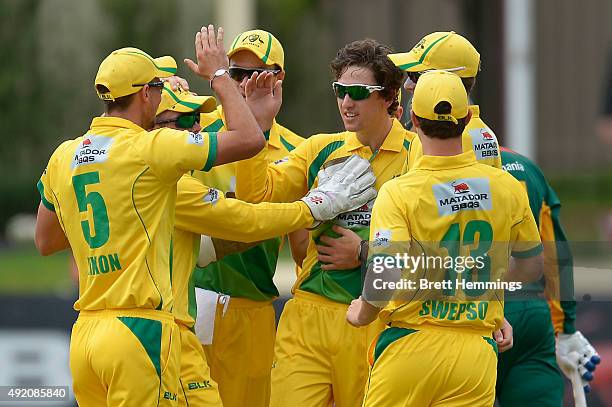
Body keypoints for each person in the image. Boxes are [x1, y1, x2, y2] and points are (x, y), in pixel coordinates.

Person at [34, 25, 269, 406]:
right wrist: (219, 76)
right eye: (159, 89)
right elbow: (249, 139)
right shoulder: (152, 147)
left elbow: (46, 241)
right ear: (146, 93)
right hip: (137, 330)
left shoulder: (64, 154)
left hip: (85, 335)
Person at [152, 83, 377, 406]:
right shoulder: (170, 178)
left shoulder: (87, 155)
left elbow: (209, 248)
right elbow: (244, 218)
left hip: (180, 315)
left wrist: (362, 250)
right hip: (158, 323)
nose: (197, 128)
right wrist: (313, 207)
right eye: (186, 121)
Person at [235, 38, 415, 407]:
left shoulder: (417, 155)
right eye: (340, 91)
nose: (346, 103)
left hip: (374, 316)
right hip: (307, 315)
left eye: (358, 92)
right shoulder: (321, 148)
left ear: (389, 95)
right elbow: (257, 197)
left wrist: (364, 252)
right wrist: (259, 126)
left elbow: (437, 251)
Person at [346, 70, 543, 406]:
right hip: (475, 354)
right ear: (467, 119)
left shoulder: (399, 192)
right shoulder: (506, 187)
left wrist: (361, 313)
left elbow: (385, 275)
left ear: (412, 120)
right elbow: (532, 265)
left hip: (409, 345)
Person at [189, 28, 307, 407]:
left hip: (250, 305)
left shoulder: (297, 151)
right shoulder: (196, 133)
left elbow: (303, 251)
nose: (245, 84)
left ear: (279, 79)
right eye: (236, 74)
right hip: (191, 299)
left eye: (258, 76)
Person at [497, 146, 600, 406]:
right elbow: (555, 252)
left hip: (463, 317)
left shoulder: (425, 164)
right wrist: (566, 329)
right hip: (531, 311)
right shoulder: (524, 166)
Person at [388, 31, 501, 171]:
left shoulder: (445, 136)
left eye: (416, 76)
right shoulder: (478, 130)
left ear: (446, 78)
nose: (407, 85)